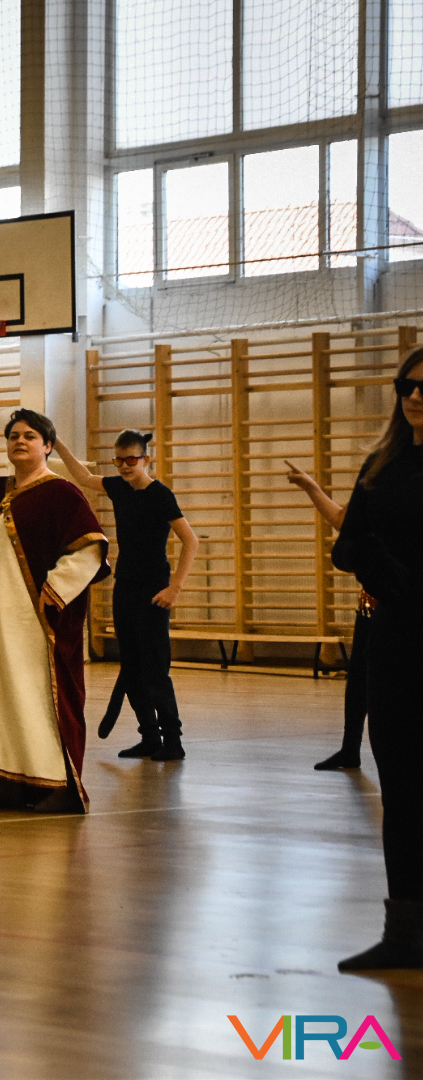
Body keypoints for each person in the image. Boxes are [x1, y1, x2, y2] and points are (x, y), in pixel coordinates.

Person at [0, 410, 109, 814]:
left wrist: (57, 589)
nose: (20, 441)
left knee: (38, 698)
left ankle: (59, 786)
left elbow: (90, 548)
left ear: (47, 446)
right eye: (14, 435)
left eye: (30, 436)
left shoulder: (62, 494)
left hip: (35, 622)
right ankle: (9, 784)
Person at [330, 348, 423, 971]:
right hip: (394, 639)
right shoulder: (381, 465)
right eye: (405, 386)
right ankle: (404, 933)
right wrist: (384, 571)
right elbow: (347, 547)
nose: (414, 396)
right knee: (402, 788)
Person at [53, 430, 198, 761]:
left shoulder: (160, 495)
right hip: (125, 586)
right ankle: (149, 737)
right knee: (131, 667)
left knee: (155, 668)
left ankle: (173, 740)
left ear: (146, 459)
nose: (124, 466)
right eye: (118, 460)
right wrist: (57, 442)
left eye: (131, 460)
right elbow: (83, 477)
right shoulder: (118, 487)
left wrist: (175, 587)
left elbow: (190, 541)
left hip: (154, 590)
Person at [284, 460, 370, 772]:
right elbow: (339, 519)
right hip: (372, 605)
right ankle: (350, 749)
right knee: (358, 681)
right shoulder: (381, 477)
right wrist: (310, 486)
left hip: (405, 604)